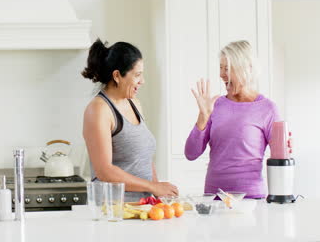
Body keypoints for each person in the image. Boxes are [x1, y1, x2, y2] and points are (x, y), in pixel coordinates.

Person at [185, 40, 292, 198]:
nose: (221, 74)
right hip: (215, 198)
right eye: (220, 68)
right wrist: (203, 116)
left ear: (246, 68)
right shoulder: (215, 106)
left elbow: (281, 157)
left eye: (227, 68)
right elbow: (190, 154)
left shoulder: (267, 109)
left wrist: (286, 148)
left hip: (251, 199)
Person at [82, 38, 178, 202]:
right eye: (137, 75)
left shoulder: (134, 104)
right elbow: (104, 171)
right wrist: (152, 186)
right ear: (117, 76)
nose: (142, 81)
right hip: (114, 211)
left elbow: (144, 157)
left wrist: (158, 192)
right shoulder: (99, 109)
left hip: (142, 207)